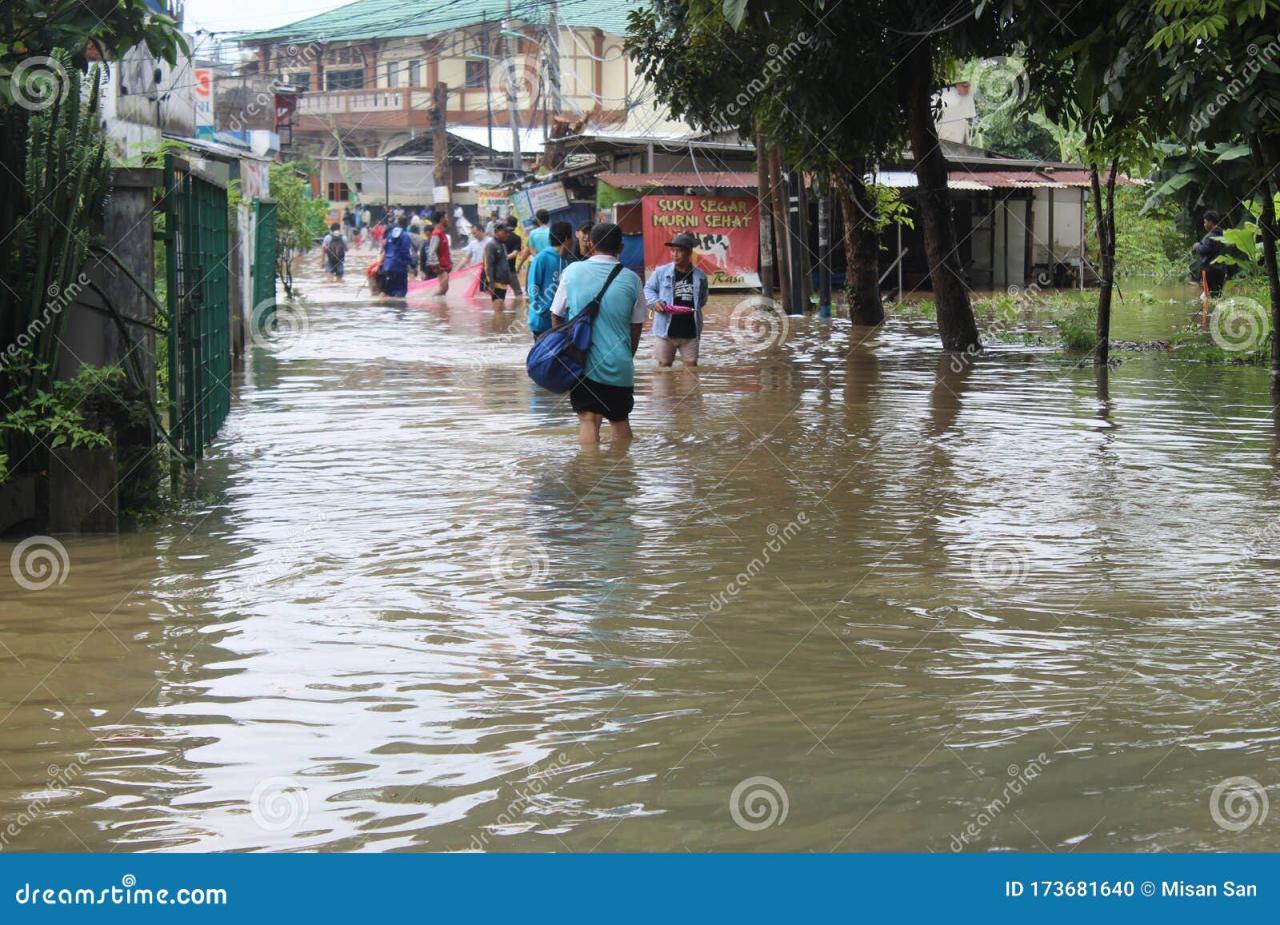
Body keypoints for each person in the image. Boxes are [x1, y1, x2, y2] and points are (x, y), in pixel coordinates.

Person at [550, 223, 647, 445]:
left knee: (588, 418)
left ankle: (590, 473)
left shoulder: (572, 271)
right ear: (621, 247)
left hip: (583, 364)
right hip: (620, 364)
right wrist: (625, 356)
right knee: (620, 419)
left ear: (590, 244)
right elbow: (637, 326)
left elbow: (556, 314)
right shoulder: (632, 279)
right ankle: (622, 475)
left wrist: (565, 351)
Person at [645, 231, 709, 368]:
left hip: (691, 332)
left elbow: (702, 300)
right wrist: (654, 302)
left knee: (691, 369)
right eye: (672, 251)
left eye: (679, 251)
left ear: (689, 252)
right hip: (665, 331)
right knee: (664, 368)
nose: (674, 254)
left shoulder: (700, 276)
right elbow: (648, 289)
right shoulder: (661, 272)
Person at [527, 221, 574, 338]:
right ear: (567, 238)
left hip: (563, 323)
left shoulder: (569, 261)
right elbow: (532, 287)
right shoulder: (541, 258)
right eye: (572, 237)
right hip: (542, 323)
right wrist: (543, 310)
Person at [1193, 210, 1229, 298]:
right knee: (1217, 294)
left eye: (1205, 222)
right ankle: (1215, 310)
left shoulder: (1210, 236)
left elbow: (1204, 250)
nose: (1204, 225)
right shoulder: (1224, 235)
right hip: (1222, 270)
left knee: (1207, 295)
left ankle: (1207, 311)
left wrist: (1196, 246)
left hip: (1209, 270)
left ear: (1210, 222)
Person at [380, 214, 414, 297]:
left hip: (388, 266)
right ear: (406, 224)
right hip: (399, 268)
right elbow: (405, 252)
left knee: (387, 292)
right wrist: (413, 265)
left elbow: (385, 249)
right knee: (400, 293)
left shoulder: (390, 234)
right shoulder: (405, 236)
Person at [483, 224, 513, 308]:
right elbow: (488, 265)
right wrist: (491, 283)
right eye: (505, 232)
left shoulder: (502, 245)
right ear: (496, 232)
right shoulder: (491, 245)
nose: (507, 234)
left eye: (508, 232)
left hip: (503, 282)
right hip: (496, 283)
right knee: (498, 311)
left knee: (500, 310)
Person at [423, 214, 453, 296]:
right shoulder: (436, 233)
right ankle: (430, 303)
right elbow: (432, 251)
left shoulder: (442, 233)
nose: (448, 220)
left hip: (444, 266)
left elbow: (445, 251)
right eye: (446, 218)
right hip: (440, 267)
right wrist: (437, 266)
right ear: (441, 219)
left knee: (444, 289)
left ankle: (440, 307)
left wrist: (450, 262)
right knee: (443, 289)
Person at [504, 217, 525, 298]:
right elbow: (515, 253)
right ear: (515, 226)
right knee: (518, 294)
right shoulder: (517, 238)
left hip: (497, 270)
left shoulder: (499, 236)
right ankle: (517, 310)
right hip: (510, 270)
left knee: (498, 295)